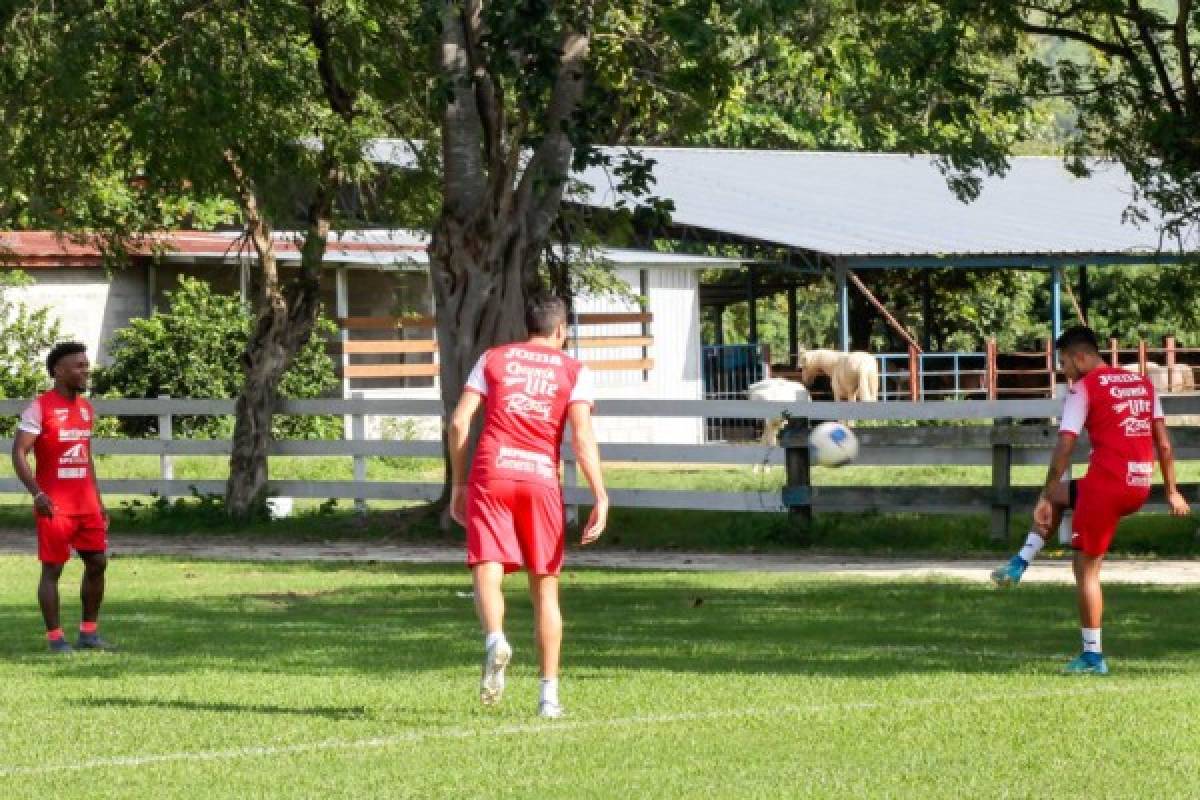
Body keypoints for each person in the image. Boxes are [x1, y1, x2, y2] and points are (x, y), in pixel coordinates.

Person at [990, 325, 1190, 673]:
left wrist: (1041, 494)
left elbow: (1065, 445)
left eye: (1065, 363)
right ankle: (1019, 562)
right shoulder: (1143, 383)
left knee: (1085, 570)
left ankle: (1092, 656)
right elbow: (1165, 443)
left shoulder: (1083, 390)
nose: (1064, 372)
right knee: (1060, 496)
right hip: (1138, 485)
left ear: (1081, 358)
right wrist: (1171, 490)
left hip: (1106, 488)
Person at [447, 293, 608, 718]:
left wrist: (459, 484)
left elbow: (460, 421)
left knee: (487, 564)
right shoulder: (574, 371)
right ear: (561, 330)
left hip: (492, 471)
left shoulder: (493, 358)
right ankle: (548, 697)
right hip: (540, 478)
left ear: (529, 327)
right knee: (545, 587)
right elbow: (581, 437)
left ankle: (495, 638)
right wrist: (600, 495)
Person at [10, 342, 114, 653]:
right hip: (55, 506)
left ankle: (89, 633)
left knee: (97, 562)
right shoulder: (39, 407)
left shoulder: (85, 408)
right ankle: (56, 639)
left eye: (86, 365)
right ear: (59, 371)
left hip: (86, 505)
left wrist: (99, 500)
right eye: (78, 366)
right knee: (53, 569)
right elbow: (18, 453)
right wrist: (37, 494)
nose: (85, 371)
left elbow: (86, 456)